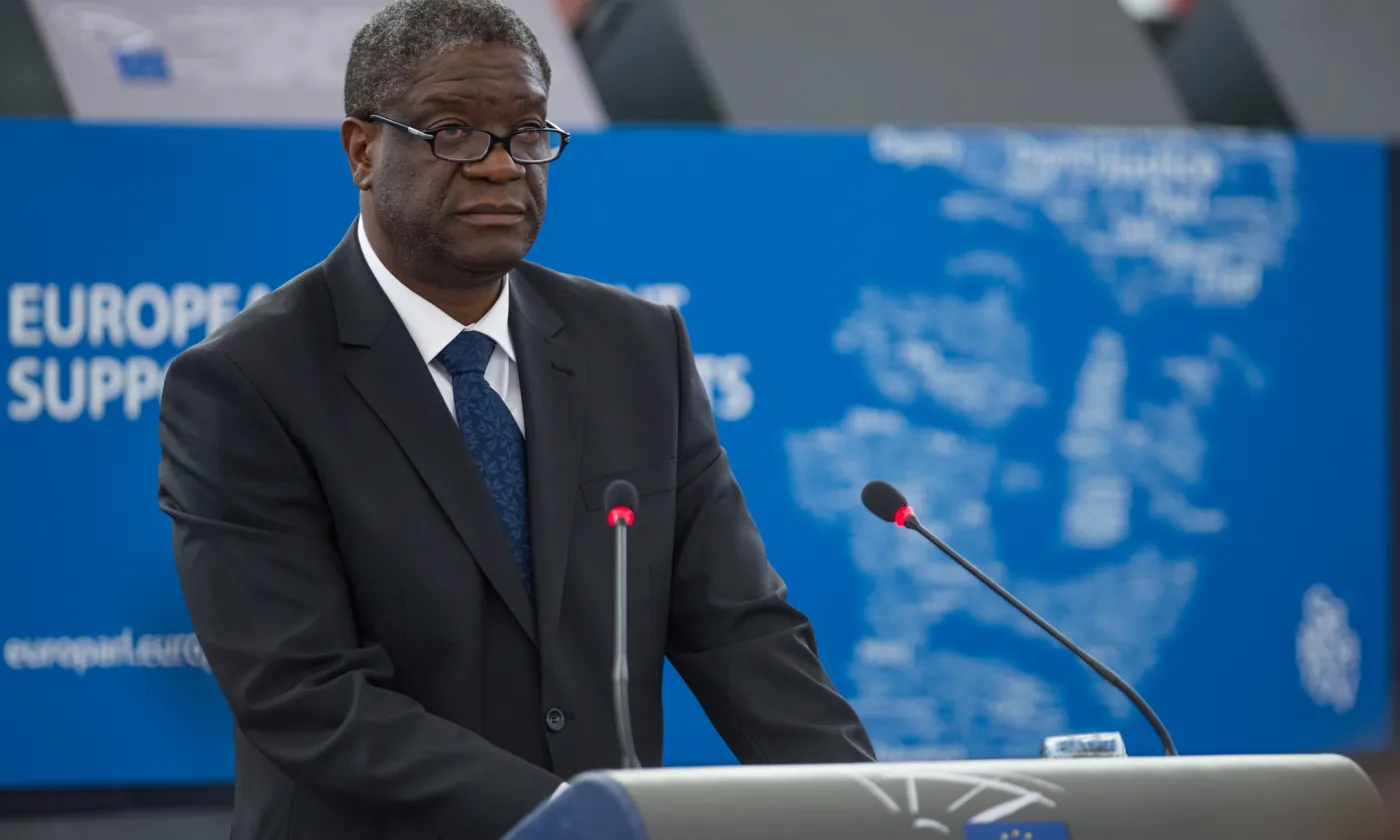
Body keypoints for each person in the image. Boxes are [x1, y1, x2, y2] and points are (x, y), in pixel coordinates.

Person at [157, 1, 874, 838]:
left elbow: (738, 629)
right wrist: (569, 818)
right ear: (363, 150)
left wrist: (870, 809)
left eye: (528, 133)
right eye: (453, 131)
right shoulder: (247, 382)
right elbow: (306, 695)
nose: (501, 167)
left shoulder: (636, 347)